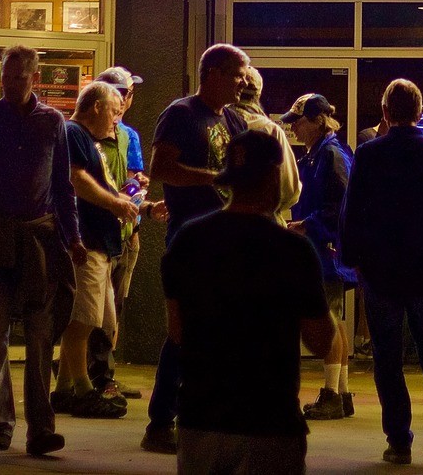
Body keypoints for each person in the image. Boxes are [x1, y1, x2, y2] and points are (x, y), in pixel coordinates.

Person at [162, 129, 335, 475]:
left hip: (200, 419)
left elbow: (177, 331)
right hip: (269, 422)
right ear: (273, 176)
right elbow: (320, 341)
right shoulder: (293, 250)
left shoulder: (187, 240)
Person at [0, 44, 86, 456]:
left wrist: (73, 238)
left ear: (35, 78)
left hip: (39, 238)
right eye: (6, 76)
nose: (10, 83)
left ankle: (41, 428)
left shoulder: (53, 122)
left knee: (40, 335)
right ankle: (0, 423)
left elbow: (63, 186)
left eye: (19, 77)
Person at [342, 79, 423, 465]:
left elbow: (353, 210)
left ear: (385, 112)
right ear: (421, 112)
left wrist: (353, 258)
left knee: (387, 356)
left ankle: (398, 439)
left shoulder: (369, 154)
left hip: (380, 269)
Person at [143, 42, 252, 454]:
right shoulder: (181, 113)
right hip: (190, 240)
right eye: (237, 75)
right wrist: (213, 178)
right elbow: (161, 168)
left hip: (228, 241)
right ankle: (160, 422)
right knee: (184, 331)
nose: (243, 83)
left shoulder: (234, 120)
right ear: (214, 73)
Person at [57, 81, 141, 418]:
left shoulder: (87, 139)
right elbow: (76, 179)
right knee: (82, 320)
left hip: (100, 243)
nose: (116, 119)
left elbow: (105, 187)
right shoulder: (73, 133)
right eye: (114, 111)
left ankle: (64, 389)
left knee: (93, 321)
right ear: (96, 107)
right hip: (87, 242)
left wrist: (141, 207)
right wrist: (115, 205)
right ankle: (83, 390)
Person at [286, 93, 356, 420]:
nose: (293, 128)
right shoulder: (321, 153)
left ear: (317, 121)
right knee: (335, 318)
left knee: (328, 318)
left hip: (327, 249)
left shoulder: (330, 154)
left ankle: (331, 394)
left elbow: (341, 204)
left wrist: (307, 225)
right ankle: (341, 392)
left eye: (297, 122)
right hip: (325, 247)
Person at [96, 66, 150, 399]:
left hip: (126, 230)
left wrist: (138, 190)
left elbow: (134, 179)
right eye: (128, 93)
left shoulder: (128, 136)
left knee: (114, 305)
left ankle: (105, 372)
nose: (129, 100)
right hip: (100, 233)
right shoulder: (87, 133)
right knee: (98, 307)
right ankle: (91, 372)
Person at [230, 70, 301, 223]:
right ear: (258, 94)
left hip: (219, 225)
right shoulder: (269, 130)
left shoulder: (216, 124)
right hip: (262, 224)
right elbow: (289, 189)